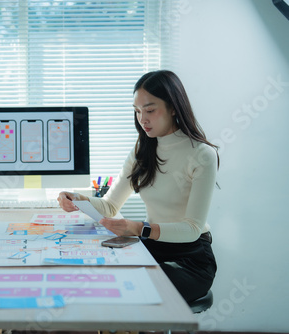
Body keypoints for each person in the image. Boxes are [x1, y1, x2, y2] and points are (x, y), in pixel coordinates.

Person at [57, 70, 218, 302]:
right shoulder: (142, 151)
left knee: (127, 289)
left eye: (150, 110)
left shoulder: (203, 155)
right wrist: (76, 198)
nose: (143, 119)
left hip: (190, 258)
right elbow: (110, 206)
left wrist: (138, 227)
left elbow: (192, 228)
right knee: (91, 279)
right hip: (153, 246)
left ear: (173, 107)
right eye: (137, 111)